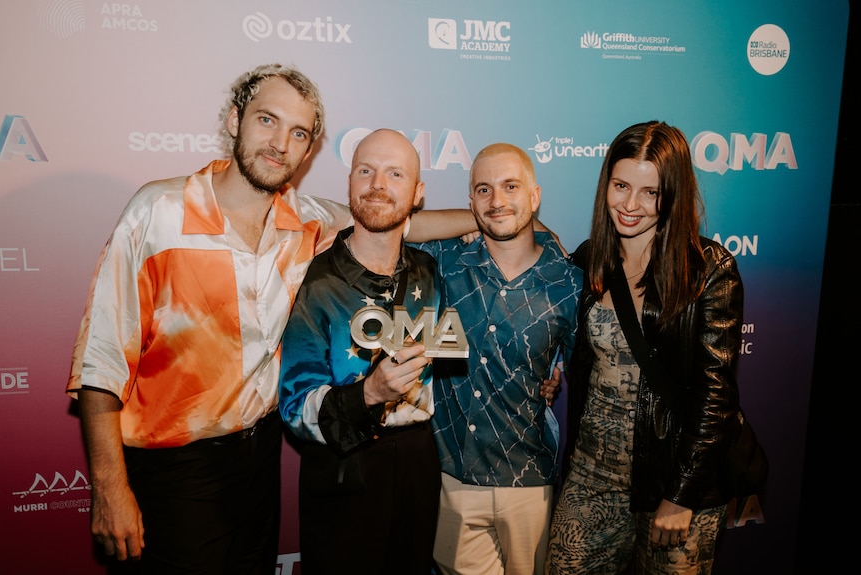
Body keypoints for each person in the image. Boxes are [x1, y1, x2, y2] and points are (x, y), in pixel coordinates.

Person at [65, 64, 476, 575]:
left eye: (298, 133)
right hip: (175, 472)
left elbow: (394, 218)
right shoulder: (158, 212)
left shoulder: (306, 219)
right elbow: (101, 361)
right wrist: (108, 487)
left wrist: (495, 218)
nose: (280, 143)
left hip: (259, 464)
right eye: (267, 120)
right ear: (235, 120)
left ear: (308, 151)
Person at [546, 120, 744, 574]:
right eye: (620, 186)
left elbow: (715, 397)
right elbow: (569, 345)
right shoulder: (588, 258)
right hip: (591, 479)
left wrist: (682, 495)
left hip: (674, 484)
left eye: (650, 192)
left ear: (671, 194)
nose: (630, 205)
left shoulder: (709, 271)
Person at [278, 128, 449, 575]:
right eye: (366, 171)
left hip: (417, 466)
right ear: (350, 182)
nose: (378, 184)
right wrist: (369, 393)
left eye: (395, 174)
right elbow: (294, 408)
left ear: (417, 193)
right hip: (342, 470)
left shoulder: (430, 271)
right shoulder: (314, 281)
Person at [412, 143, 583, 575]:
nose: (497, 200)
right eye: (483, 190)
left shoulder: (570, 282)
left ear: (535, 195)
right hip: (454, 478)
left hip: (530, 482)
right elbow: (394, 226)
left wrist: (554, 371)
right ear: (470, 201)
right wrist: (475, 220)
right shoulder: (444, 261)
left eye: (511, 187)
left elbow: (584, 370)